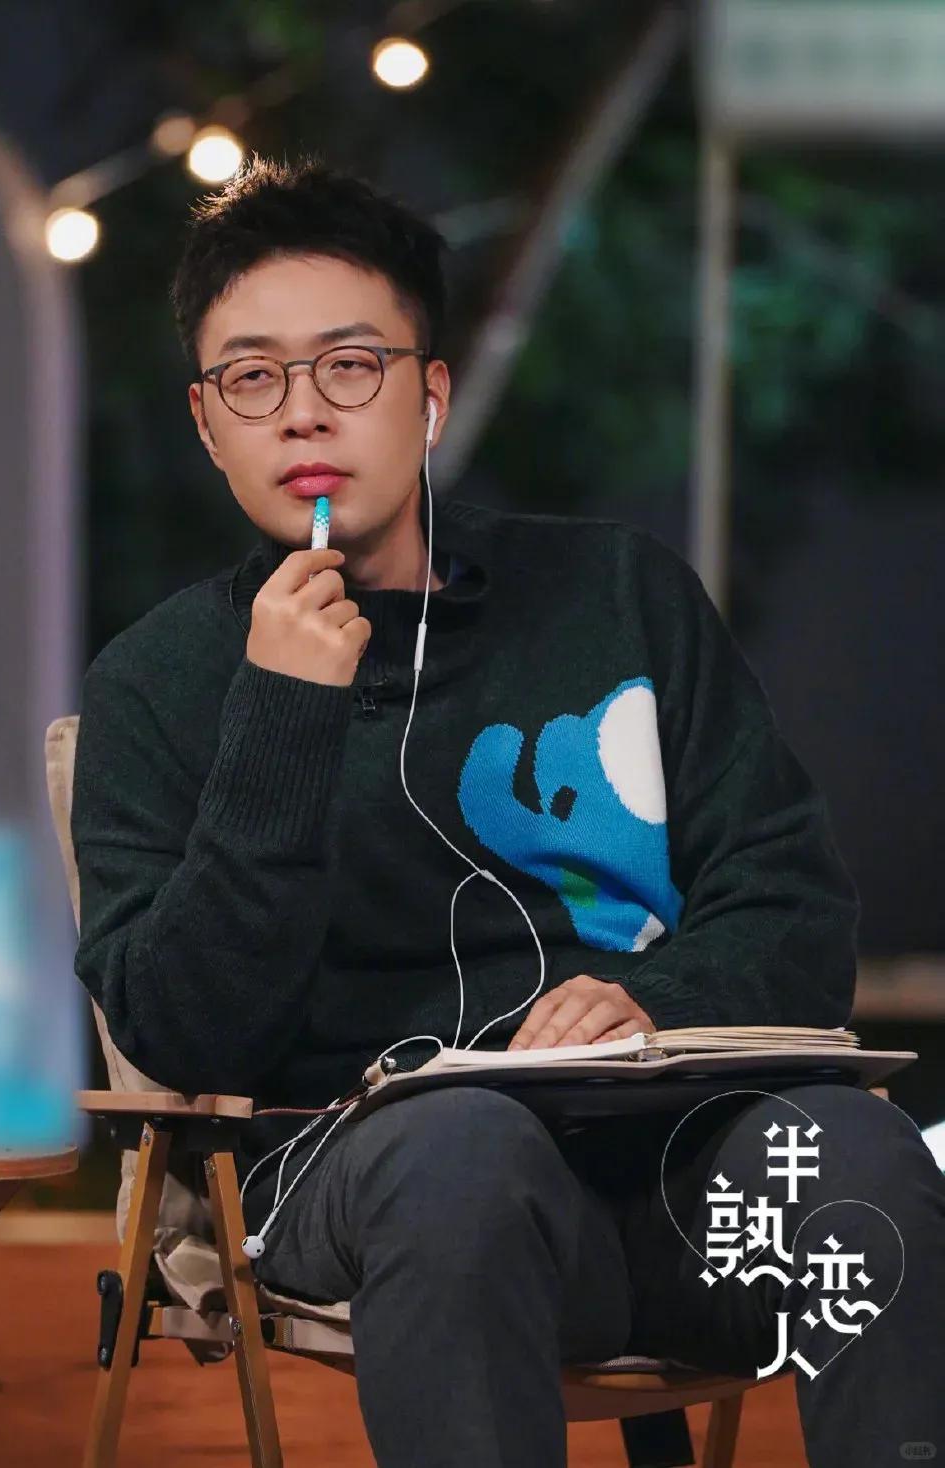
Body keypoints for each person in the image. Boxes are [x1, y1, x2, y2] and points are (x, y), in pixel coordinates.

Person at [70, 155, 945, 1467]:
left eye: (349, 366)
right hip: (378, 1183)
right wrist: (283, 718)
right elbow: (187, 1033)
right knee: (462, 1152)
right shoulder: (158, 684)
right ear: (207, 422)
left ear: (430, 395)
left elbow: (795, 906)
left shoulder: (619, 597)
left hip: (680, 1182)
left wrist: (651, 1001)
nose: (301, 413)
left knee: (858, 1155)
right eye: (252, 378)